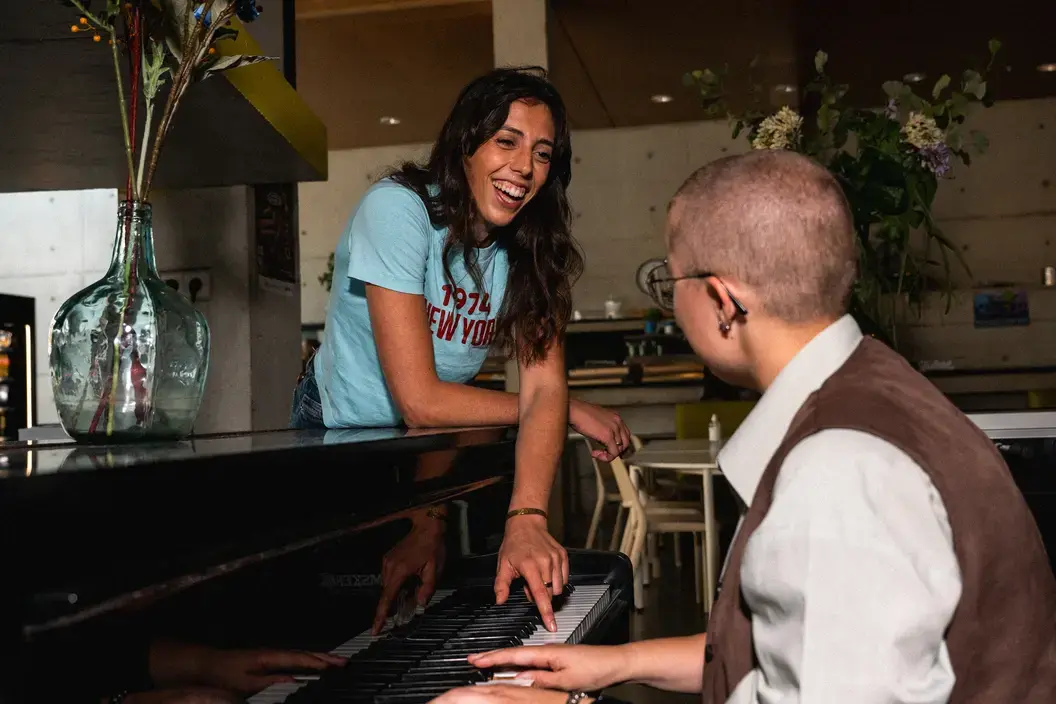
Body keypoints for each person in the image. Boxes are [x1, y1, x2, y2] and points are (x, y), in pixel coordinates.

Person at [430, 150, 1056, 703]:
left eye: (670, 280)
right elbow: (795, 652)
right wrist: (614, 664)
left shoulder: (839, 472)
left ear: (723, 301)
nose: (670, 303)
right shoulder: (877, 388)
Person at [290, 66, 632, 632]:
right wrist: (565, 411)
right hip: (339, 436)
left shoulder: (530, 250)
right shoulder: (400, 210)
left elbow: (537, 385)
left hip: (435, 445)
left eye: (543, 154)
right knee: (343, 628)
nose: (524, 167)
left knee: (419, 614)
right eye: (506, 141)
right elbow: (422, 400)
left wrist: (524, 517)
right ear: (466, 144)